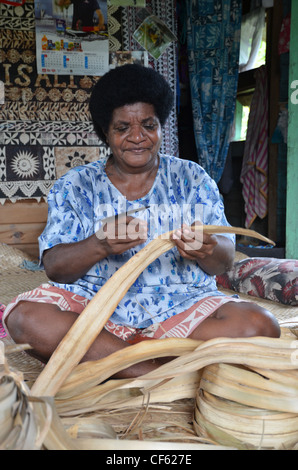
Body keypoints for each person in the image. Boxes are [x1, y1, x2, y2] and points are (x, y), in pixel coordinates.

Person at [3, 64, 280, 378]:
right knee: (26, 318)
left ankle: (114, 363)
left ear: (161, 126)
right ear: (105, 133)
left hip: (183, 306)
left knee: (260, 325)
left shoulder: (190, 178)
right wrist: (99, 245)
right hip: (96, 309)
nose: (137, 137)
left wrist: (207, 249)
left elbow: (223, 262)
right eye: (122, 128)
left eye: (149, 125)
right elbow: (55, 267)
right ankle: (156, 372)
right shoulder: (76, 185)